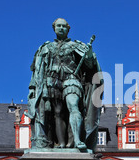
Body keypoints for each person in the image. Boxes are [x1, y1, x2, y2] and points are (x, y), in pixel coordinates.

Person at [27, 18, 103, 151]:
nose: (61, 28)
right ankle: (61, 144)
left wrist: (89, 54)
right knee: (57, 112)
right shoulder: (46, 48)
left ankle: (78, 141)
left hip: (71, 79)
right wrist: (33, 88)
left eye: (63, 26)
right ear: (54, 28)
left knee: (73, 106)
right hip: (51, 82)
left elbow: (90, 64)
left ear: (68, 29)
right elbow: (37, 71)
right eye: (58, 26)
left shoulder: (76, 46)